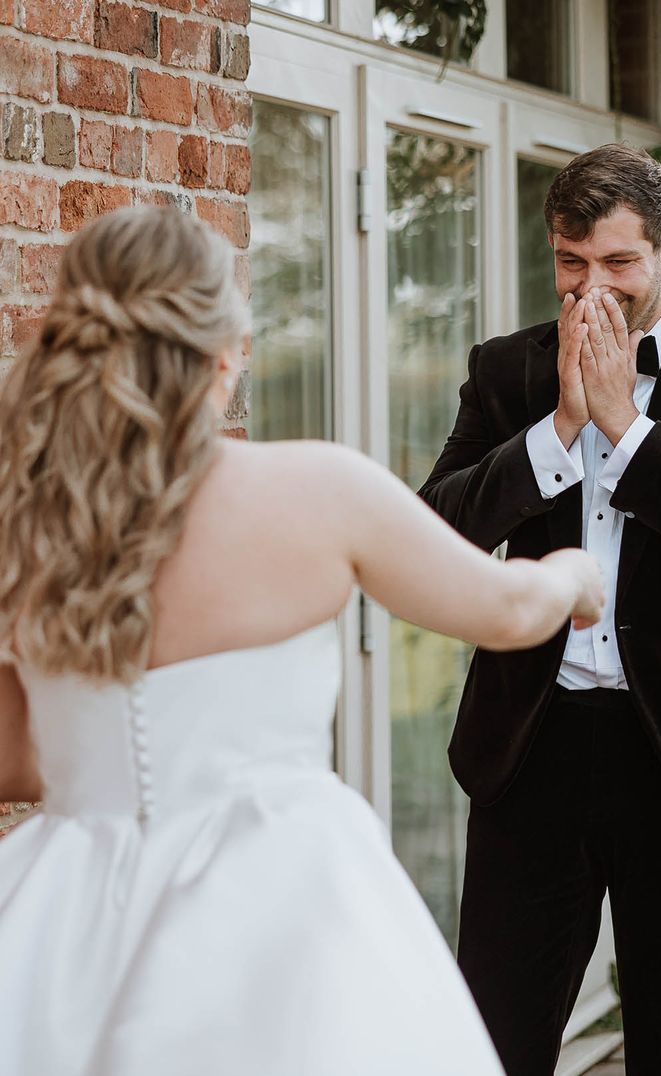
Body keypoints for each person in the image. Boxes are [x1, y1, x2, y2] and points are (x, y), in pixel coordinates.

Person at [0, 206, 603, 1076]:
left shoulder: (24, 522)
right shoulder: (314, 490)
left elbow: (15, 756)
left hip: (62, 923)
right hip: (276, 915)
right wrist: (574, 577)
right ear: (226, 352)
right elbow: (507, 609)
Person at [419, 142, 661, 1076]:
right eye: (571, 262)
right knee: (498, 1037)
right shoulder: (509, 371)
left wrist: (627, 428)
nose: (594, 287)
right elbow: (437, 528)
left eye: (620, 263)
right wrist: (561, 427)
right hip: (533, 746)